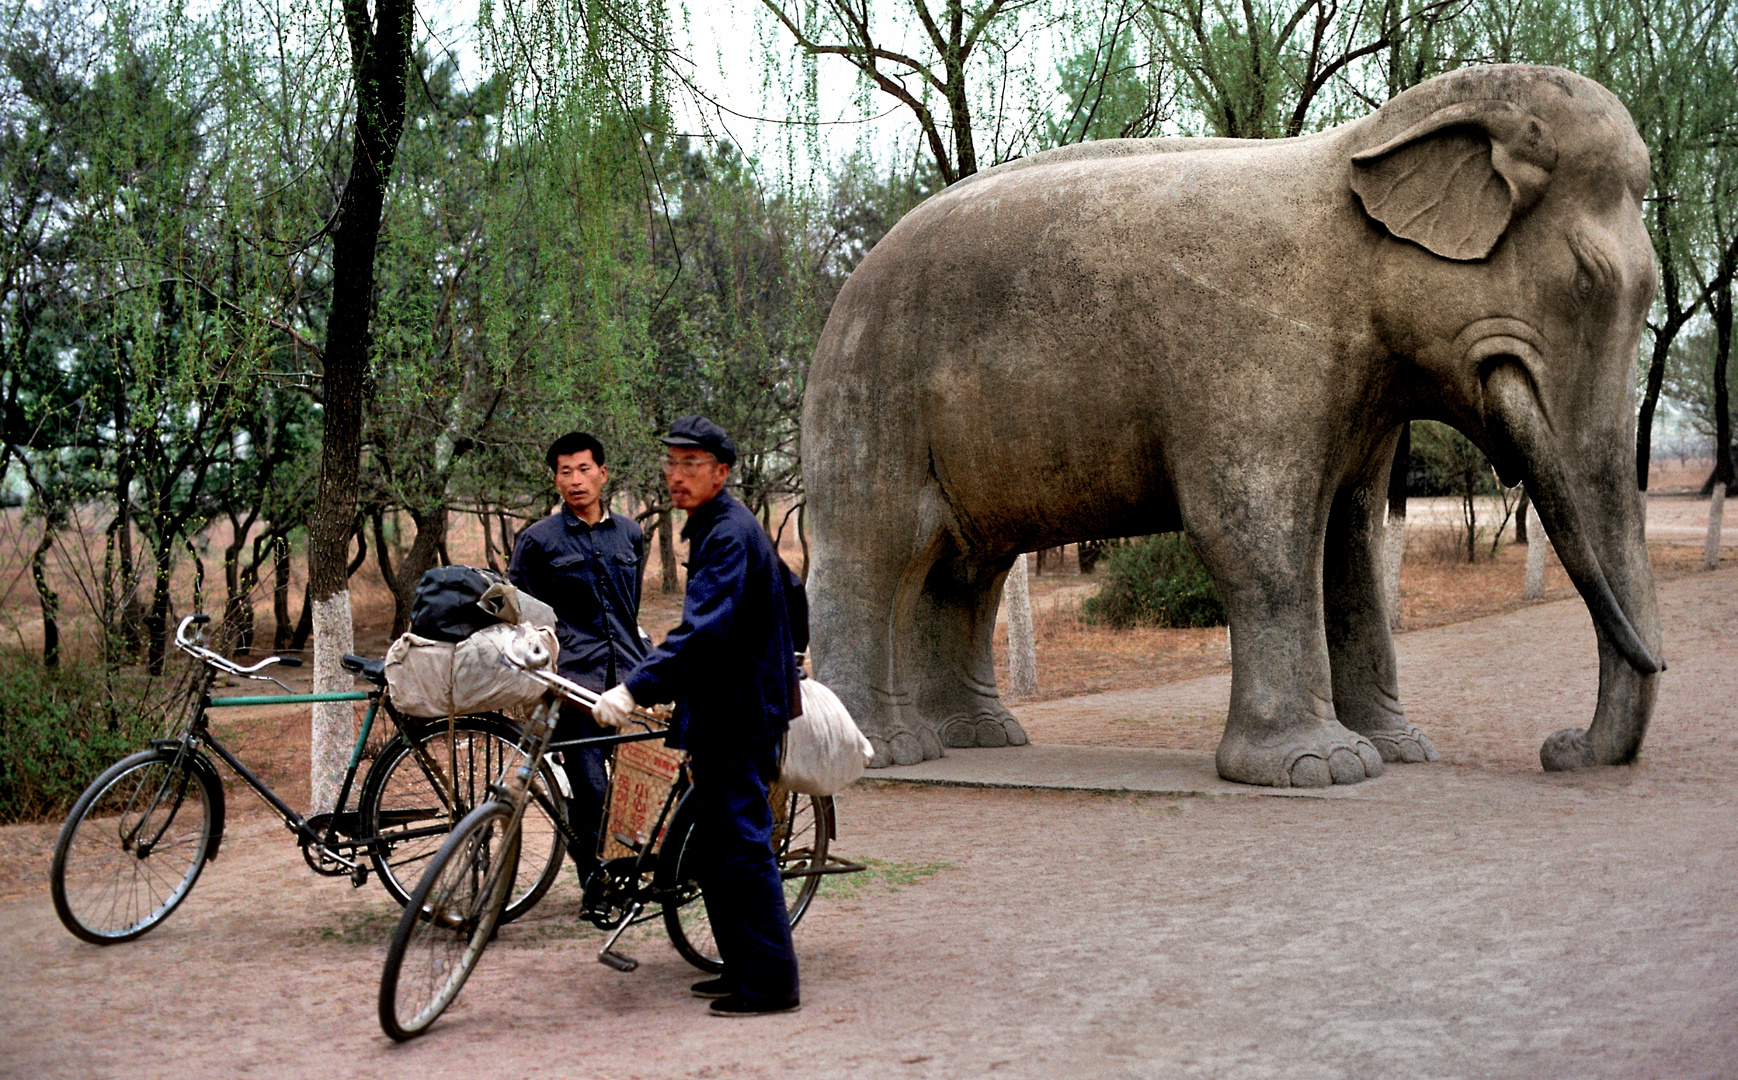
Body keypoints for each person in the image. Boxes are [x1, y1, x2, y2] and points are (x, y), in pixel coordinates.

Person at [593, 415, 803, 1018]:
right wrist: (789, 652)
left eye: (691, 465)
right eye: (671, 464)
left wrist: (635, 688)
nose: (677, 476)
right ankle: (742, 968)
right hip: (729, 707)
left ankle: (770, 986)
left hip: (739, 715)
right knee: (715, 849)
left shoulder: (730, 533)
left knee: (741, 846)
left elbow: (704, 630)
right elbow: (791, 591)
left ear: (722, 472)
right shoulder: (718, 524)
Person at [508, 431, 646, 883]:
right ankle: (595, 879)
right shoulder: (538, 541)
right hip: (573, 682)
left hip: (630, 675)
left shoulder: (630, 533)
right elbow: (521, 617)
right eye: (565, 472)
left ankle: (629, 874)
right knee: (591, 788)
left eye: (584, 469)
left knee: (634, 787)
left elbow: (631, 606)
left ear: (603, 474)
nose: (576, 480)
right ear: (555, 482)